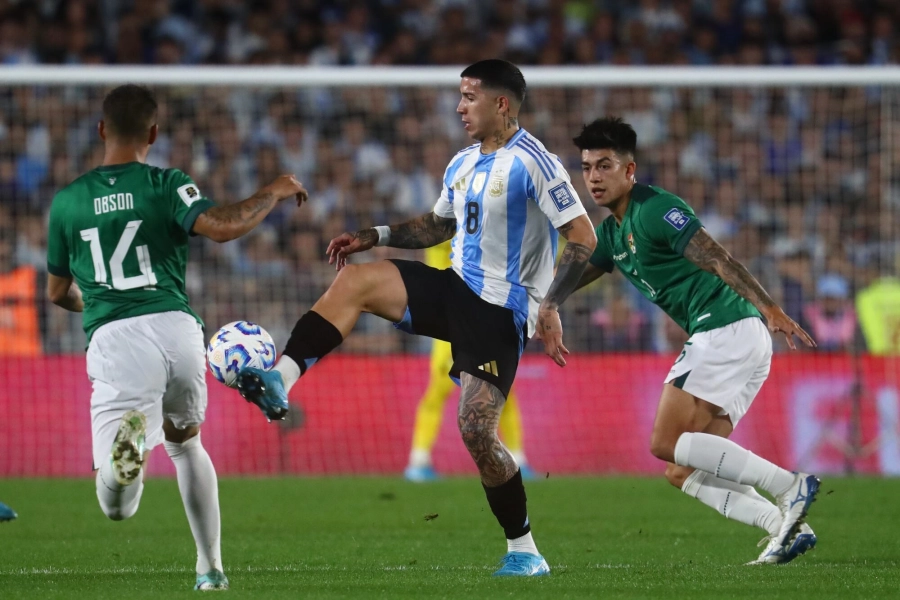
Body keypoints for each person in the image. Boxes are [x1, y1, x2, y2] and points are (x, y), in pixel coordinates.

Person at [238, 59, 596, 576]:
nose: (459, 106)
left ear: (502, 103)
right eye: (459, 95)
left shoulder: (536, 163)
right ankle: (281, 378)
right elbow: (437, 226)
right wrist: (376, 235)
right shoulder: (463, 162)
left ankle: (524, 550)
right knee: (357, 280)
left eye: (469, 96)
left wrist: (551, 304)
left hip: (500, 310)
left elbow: (584, 237)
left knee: (475, 431)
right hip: (455, 287)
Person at [46, 84, 306, 590]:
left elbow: (57, 291)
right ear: (154, 133)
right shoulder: (167, 183)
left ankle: (128, 455)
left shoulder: (67, 202)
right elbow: (222, 226)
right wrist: (272, 191)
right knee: (187, 445)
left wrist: (96, 302)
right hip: (180, 332)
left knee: (117, 503)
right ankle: (210, 570)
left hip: (118, 338)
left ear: (101, 130)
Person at [572, 117, 819, 565]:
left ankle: (790, 486)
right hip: (737, 338)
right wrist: (540, 303)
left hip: (725, 327)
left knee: (663, 443)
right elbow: (575, 273)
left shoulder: (656, 208)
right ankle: (783, 528)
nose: (593, 177)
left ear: (629, 171)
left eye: (604, 166)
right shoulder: (610, 233)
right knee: (683, 469)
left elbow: (717, 257)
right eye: (586, 167)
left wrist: (770, 308)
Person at [404, 241, 536, 482]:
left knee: (503, 393)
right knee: (438, 393)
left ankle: (518, 459)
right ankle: (418, 460)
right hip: (450, 330)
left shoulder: (471, 225)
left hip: (482, 324)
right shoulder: (448, 227)